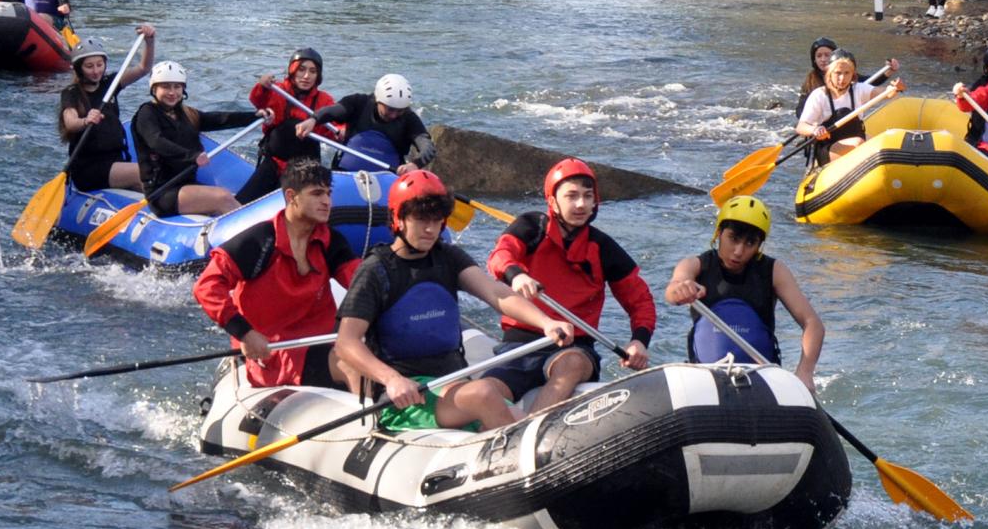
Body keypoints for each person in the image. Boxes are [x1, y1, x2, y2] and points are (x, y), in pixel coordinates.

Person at [335, 170, 573, 432]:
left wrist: (546, 322)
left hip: (454, 381)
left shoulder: (448, 257)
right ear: (398, 219)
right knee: (483, 393)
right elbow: (347, 342)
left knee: (510, 412)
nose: (430, 229)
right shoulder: (375, 270)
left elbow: (496, 293)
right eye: (421, 219)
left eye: (437, 221)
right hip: (406, 396)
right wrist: (391, 379)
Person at [486, 158, 655, 414]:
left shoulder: (603, 247)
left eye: (588, 196)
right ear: (553, 201)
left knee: (573, 364)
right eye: (572, 196)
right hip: (520, 345)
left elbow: (640, 300)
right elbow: (500, 255)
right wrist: (517, 275)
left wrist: (639, 342)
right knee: (486, 391)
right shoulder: (531, 227)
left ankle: (530, 427)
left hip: (574, 346)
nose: (581, 204)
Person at [192, 160, 359, 388]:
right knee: (353, 364)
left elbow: (362, 284)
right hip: (271, 352)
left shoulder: (331, 241)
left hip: (320, 343)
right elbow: (206, 286)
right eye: (317, 194)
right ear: (291, 196)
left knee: (371, 356)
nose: (327, 201)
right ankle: (374, 423)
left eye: (329, 193)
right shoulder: (260, 241)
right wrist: (245, 333)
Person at [665, 196, 825, 390]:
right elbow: (673, 290)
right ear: (719, 233)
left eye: (750, 243)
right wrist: (681, 289)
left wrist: (805, 372)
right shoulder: (695, 265)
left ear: (759, 246)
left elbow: (813, 323)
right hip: (706, 377)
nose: (739, 251)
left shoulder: (774, 271)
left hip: (761, 377)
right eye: (733, 238)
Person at [130, 62, 263, 218]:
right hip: (162, 192)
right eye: (166, 87)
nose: (172, 92)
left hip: (187, 185)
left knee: (226, 200)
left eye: (177, 87)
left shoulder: (185, 113)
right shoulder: (147, 113)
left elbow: (219, 119)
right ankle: (254, 238)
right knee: (223, 197)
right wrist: (192, 156)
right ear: (154, 89)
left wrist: (254, 116)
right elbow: (156, 141)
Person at [57, 23, 155, 195]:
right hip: (90, 168)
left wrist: (149, 41)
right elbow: (70, 122)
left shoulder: (110, 84)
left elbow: (143, 68)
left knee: (154, 184)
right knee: (146, 172)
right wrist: (85, 120)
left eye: (99, 64)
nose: (96, 71)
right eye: (89, 66)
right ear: (79, 68)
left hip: (117, 161)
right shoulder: (72, 93)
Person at [238, 47, 340, 205]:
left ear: (318, 75)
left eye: (312, 71)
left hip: (305, 169)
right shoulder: (278, 90)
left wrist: (343, 132)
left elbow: (335, 127)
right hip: (274, 162)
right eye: (301, 70)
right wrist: (263, 86)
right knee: (241, 203)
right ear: (292, 71)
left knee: (284, 206)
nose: (306, 76)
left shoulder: (324, 100)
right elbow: (258, 100)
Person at [298, 74, 433, 173]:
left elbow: (427, 147)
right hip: (346, 173)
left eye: (400, 111)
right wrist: (313, 120)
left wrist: (415, 164)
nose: (394, 115)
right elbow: (333, 111)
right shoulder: (359, 103)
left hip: (387, 178)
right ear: (377, 99)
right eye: (390, 109)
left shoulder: (409, 118)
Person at [799, 51, 902, 163]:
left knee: (882, 147)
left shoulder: (859, 89)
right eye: (838, 73)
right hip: (830, 147)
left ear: (853, 74)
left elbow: (884, 93)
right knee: (858, 143)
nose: (842, 78)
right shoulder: (819, 95)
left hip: (856, 140)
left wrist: (894, 88)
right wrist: (815, 129)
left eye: (847, 73)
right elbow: (801, 127)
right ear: (829, 73)